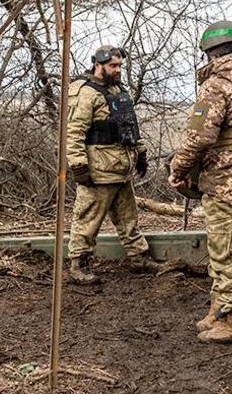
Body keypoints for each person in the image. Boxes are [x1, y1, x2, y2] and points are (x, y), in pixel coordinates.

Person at [168, 22, 232, 344]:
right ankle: (219, 311)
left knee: (229, 257)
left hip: (225, 185)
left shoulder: (217, 85)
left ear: (211, 54)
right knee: (230, 251)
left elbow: (199, 135)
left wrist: (179, 168)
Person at [65, 45, 161, 285]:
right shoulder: (85, 93)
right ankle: (78, 264)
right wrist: (79, 166)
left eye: (119, 65)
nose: (117, 70)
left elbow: (129, 126)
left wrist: (141, 154)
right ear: (97, 65)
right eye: (113, 66)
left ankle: (139, 257)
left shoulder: (117, 91)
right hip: (98, 171)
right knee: (87, 219)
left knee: (129, 218)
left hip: (120, 168)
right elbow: (73, 133)